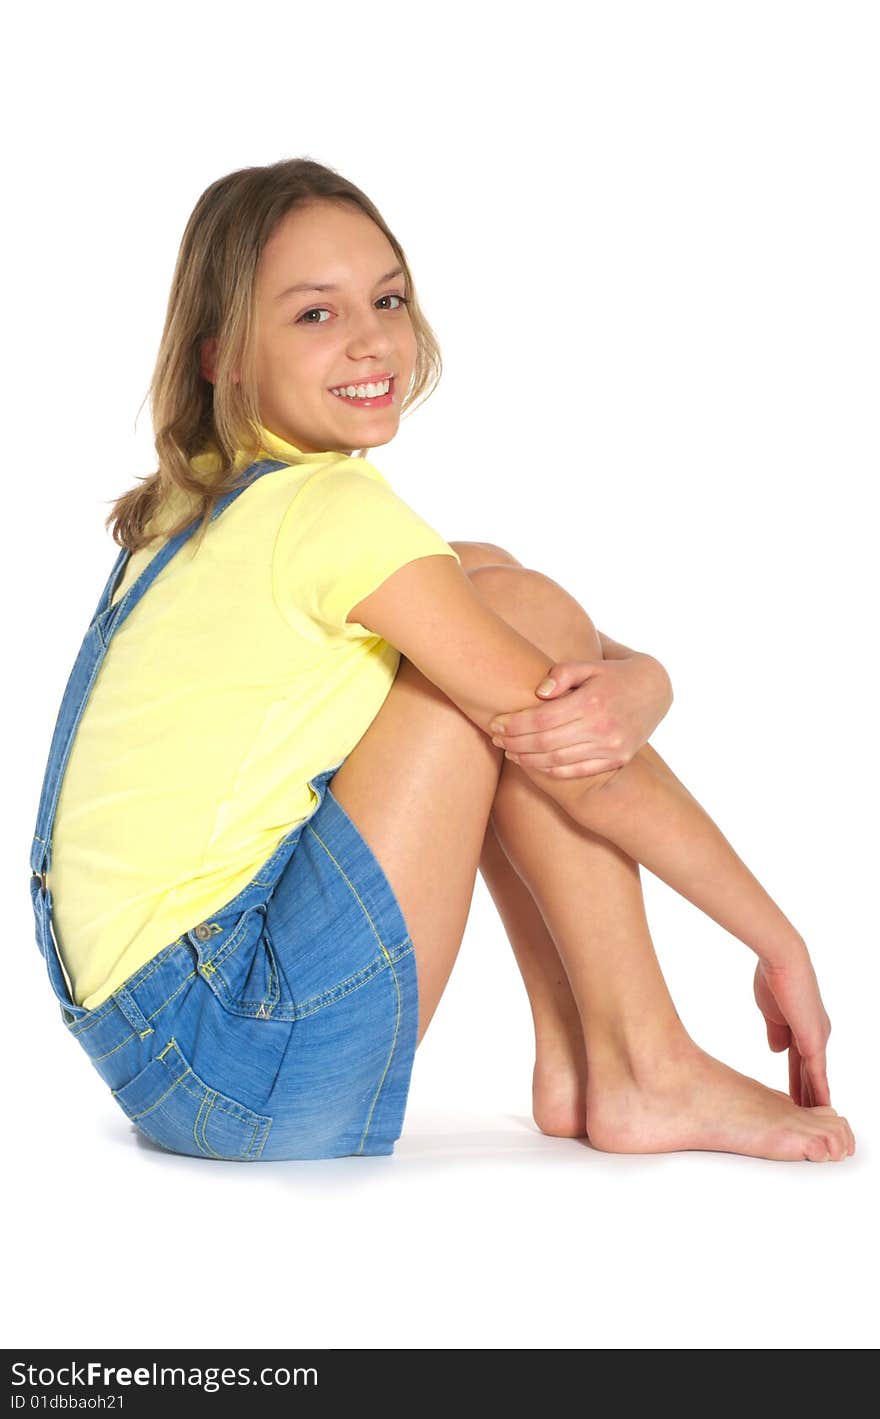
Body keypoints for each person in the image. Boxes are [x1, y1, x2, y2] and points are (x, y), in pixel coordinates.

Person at [30, 157, 854, 1164]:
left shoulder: (200, 497)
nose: (372, 339)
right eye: (313, 316)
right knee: (521, 638)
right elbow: (587, 769)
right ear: (221, 358)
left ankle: (583, 1059)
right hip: (248, 1059)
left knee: (502, 596)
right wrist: (779, 942)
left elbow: (479, 579)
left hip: (157, 1053)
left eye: (387, 298)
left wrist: (645, 678)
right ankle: (642, 1064)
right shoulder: (331, 513)